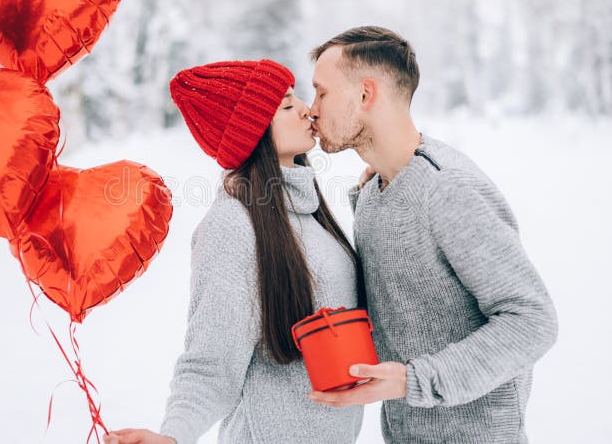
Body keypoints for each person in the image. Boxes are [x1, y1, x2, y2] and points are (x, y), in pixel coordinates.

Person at [305, 26, 558, 443]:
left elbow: (532, 321)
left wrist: (413, 380)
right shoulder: (373, 194)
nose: (312, 109)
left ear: (365, 95)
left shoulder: (447, 189)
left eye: (322, 93)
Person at [104, 59, 364, 444]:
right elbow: (210, 362)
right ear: (254, 131)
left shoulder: (311, 215)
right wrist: (173, 435)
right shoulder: (233, 227)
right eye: (288, 106)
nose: (308, 109)